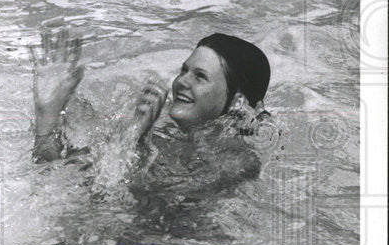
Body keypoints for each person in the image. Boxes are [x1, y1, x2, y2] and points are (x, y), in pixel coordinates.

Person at [31, 28, 271, 197]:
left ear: (238, 101)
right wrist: (48, 114)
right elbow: (59, 178)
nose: (182, 81)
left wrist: (137, 141)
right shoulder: (163, 133)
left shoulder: (238, 162)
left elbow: (146, 199)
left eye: (200, 76)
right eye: (184, 70)